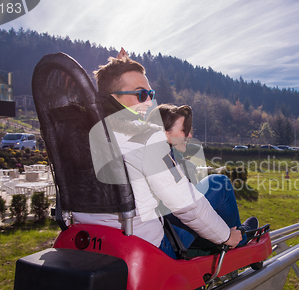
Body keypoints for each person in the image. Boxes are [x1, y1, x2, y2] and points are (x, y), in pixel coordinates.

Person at [72, 49, 257, 259]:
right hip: (148, 248)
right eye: (142, 94)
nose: (149, 102)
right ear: (114, 97)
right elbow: (186, 204)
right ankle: (237, 243)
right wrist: (226, 236)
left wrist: (115, 71)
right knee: (219, 183)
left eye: (150, 95)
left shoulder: (80, 136)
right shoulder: (146, 137)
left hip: (91, 240)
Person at [146, 104, 257, 253]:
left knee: (210, 187)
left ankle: (234, 233)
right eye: (183, 130)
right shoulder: (161, 159)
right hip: (164, 245)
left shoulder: (145, 153)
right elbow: (190, 208)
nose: (189, 135)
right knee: (220, 183)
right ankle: (240, 238)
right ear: (165, 133)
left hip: (154, 236)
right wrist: (227, 236)